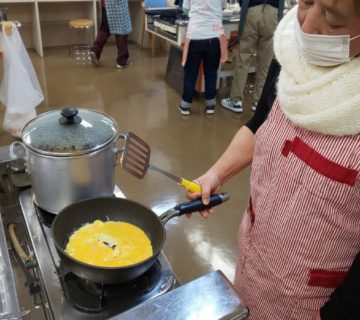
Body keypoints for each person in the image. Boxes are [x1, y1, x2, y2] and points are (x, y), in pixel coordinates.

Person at [186, 1, 360, 319]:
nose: (306, 26)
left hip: (311, 302)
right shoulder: (291, 50)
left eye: (333, 22)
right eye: (307, 2)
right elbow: (262, 120)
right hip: (254, 261)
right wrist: (216, 173)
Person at [221, 0, 283, 113]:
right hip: (273, 12)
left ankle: (236, 100)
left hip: (252, 10)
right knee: (265, 63)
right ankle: (258, 102)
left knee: (244, 57)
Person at [179, 0, 228, 116]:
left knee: (190, 74)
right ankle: (210, 105)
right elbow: (223, 7)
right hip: (214, 35)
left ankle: (185, 105)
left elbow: (185, 9)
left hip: (195, 35)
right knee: (211, 73)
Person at [89, 0, 132, 69]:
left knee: (104, 28)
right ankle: (122, 60)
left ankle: (95, 51)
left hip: (105, 3)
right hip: (118, 4)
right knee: (122, 31)